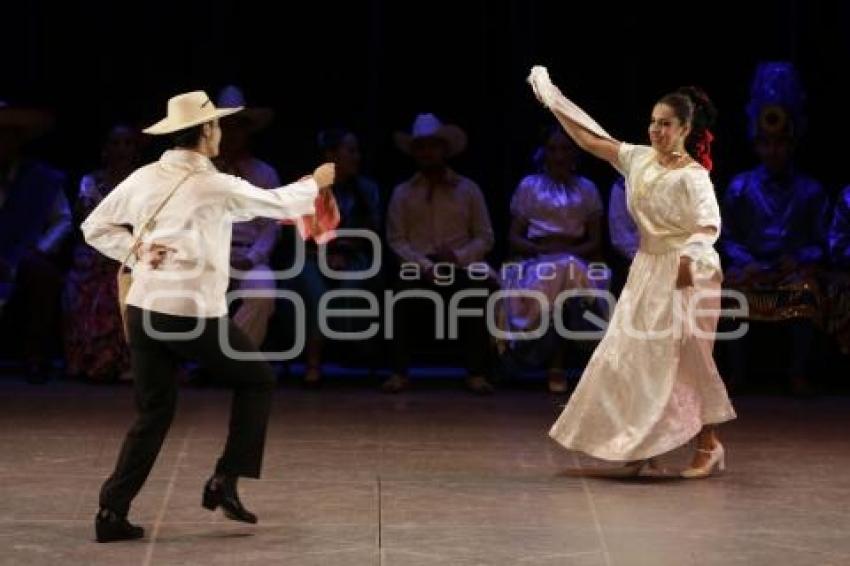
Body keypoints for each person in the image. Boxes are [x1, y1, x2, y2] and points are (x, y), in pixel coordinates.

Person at [81, 90, 337, 542]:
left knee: (153, 414)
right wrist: (317, 181)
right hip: (188, 313)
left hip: (144, 310)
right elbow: (279, 204)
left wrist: (136, 251)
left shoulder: (145, 176)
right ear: (204, 132)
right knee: (257, 380)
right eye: (216, 125)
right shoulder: (212, 183)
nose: (220, 132)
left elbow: (93, 226)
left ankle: (111, 510)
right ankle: (224, 480)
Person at [528, 66, 735, 478]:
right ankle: (642, 442)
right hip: (648, 267)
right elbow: (591, 139)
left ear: (685, 128)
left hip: (688, 269)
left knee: (687, 357)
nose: (657, 131)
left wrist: (686, 262)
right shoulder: (638, 158)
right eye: (653, 123)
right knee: (634, 357)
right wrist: (553, 99)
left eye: (666, 124)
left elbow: (708, 226)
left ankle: (709, 444)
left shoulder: (694, 176)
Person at [720, 62, 829, 395]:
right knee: (729, 290)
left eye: (780, 143)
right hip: (751, 269)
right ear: (756, 146)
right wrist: (746, 262)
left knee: (808, 291)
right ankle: (734, 373)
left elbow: (822, 240)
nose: (773, 151)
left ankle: (798, 373)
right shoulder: (740, 186)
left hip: (790, 272)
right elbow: (726, 236)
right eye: (766, 144)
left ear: (792, 145)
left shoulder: (811, 190)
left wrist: (798, 260)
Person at [385, 113, 496, 394]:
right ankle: (399, 371)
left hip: (460, 263)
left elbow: (485, 236)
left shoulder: (468, 189)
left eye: (433, 146)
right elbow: (397, 240)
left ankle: (476, 372)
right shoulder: (402, 192)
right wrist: (424, 265)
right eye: (421, 147)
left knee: (475, 291)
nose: (427, 152)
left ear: (444, 149)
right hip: (420, 265)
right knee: (400, 292)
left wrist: (458, 257)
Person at [499, 126, 605, 393]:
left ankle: (578, 360)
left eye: (565, 149)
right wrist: (540, 251)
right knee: (553, 272)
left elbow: (594, 241)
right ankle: (544, 361)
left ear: (575, 154)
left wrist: (568, 252)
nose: (559, 155)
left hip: (574, 259)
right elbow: (514, 237)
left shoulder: (587, 189)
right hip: (538, 259)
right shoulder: (530, 186)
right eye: (553, 149)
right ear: (544, 152)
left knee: (566, 269)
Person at [297, 127, 383, 387]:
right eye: (350, 151)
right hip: (312, 257)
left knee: (353, 284)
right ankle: (314, 364)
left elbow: (370, 230)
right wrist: (328, 252)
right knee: (318, 294)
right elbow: (306, 233)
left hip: (353, 256)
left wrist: (341, 248)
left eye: (357, 151)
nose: (356, 157)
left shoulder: (367, 189)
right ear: (330, 154)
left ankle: (358, 347)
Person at [0, 100, 71, 383]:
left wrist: (39, 250)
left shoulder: (43, 178)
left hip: (23, 257)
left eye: (6, 135)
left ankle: (35, 357)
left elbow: (63, 220)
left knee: (44, 277)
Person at [64, 124, 141, 382]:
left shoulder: (144, 181)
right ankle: (91, 360)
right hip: (97, 253)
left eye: (128, 144)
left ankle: (129, 362)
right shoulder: (91, 182)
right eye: (116, 144)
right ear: (105, 150)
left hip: (135, 252)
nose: (122, 150)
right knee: (92, 281)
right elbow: (89, 221)